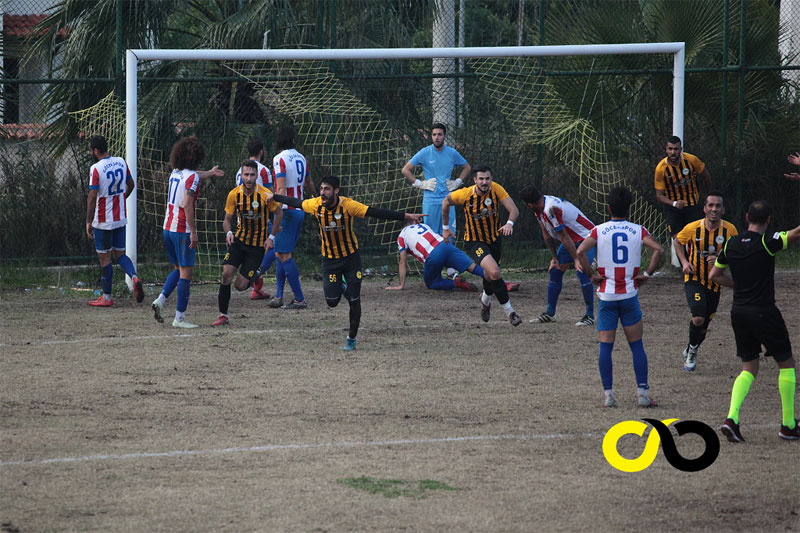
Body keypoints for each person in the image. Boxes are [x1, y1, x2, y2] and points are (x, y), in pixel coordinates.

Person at [273, 175, 423, 350]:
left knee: (354, 299)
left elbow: (375, 212)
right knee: (331, 301)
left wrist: (406, 216)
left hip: (351, 259)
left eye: (327, 189)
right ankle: (343, 287)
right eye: (321, 189)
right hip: (330, 261)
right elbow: (295, 202)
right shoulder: (315, 206)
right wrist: (274, 196)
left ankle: (351, 338)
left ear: (336, 191)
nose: (323, 193)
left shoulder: (348, 206)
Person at [709, 200, 799, 442]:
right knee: (786, 364)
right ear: (769, 220)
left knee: (749, 367)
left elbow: (714, 275)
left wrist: (738, 284)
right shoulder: (769, 242)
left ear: (746, 217)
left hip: (738, 312)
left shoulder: (731, 244)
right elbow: (798, 231)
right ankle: (788, 424)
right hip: (764, 312)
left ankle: (732, 419)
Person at [576, 186, 664, 408]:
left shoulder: (598, 230)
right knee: (637, 346)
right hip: (629, 295)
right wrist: (647, 274)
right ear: (630, 208)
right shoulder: (638, 230)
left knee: (606, 347)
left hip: (607, 296)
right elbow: (659, 249)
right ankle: (643, 393)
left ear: (608, 208)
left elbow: (579, 252)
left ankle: (608, 395)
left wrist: (591, 275)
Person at [151, 135, 224, 328]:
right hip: (182, 230)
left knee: (178, 269)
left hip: (167, 228)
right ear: (196, 157)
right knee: (186, 273)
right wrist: (193, 231)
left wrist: (209, 173)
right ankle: (180, 317)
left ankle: (160, 300)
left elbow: (194, 175)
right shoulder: (191, 178)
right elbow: (187, 203)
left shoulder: (175, 173)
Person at [442, 165, 522, 326]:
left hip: (494, 240)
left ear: (491, 179)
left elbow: (514, 209)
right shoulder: (465, 194)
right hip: (474, 241)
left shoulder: (496, 189)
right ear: (475, 180)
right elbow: (445, 202)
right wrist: (445, 228)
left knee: (489, 275)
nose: (484, 182)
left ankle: (485, 299)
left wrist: (510, 223)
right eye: (481, 179)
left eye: (487, 178)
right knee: (495, 272)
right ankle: (510, 312)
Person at [211, 160, 282, 326]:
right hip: (239, 241)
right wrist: (229, 232)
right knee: (226, 274)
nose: (249, 178)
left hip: (256, 247)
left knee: (240, 286)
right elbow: (227, 220)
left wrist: (271, 238)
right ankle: (223, 316)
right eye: (246, 175)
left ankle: (256, 273)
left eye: (252, 175)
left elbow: (279, 214)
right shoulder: (234, 195)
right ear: (241, 176)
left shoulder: (265, 195)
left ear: (257, 176)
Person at [673, 191, 738, 371]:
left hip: (716, 283)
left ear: (723, 210)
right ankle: (693, 352)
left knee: (703, 327)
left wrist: (719, 258)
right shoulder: (693, 228)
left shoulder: (730, 230)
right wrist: (684, 262)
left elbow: (735, 254)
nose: (714, 209)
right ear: (704, 208)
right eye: (710, 205)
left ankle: (690, 347)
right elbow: (677, 241)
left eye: (718, 206)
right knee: (699, 317)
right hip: (694, 279)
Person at [520, 187, 596, 326]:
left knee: (583, 272)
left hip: (587, 237)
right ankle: (550, 313)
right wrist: (555, 258)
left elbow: (563, 236)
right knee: (555, 271)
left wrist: (576, 259)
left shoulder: (550, 209)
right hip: (571, 241)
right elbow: (546, 234)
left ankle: (590, 315)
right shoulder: (539, 207)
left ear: (529, 204)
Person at [85, 135, 144, 307]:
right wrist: (121, 198)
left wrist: (88, 221)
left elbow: (92, 196)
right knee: (120, 255)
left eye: (90, 149)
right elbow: (131, 184)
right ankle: (134, 277)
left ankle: (107, 297)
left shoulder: (96, 168)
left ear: (95, 151)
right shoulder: (121, 162)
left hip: (103, 221)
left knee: (105, 259)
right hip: (119, 219)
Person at [264, 125, 318, 309]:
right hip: (299, 208)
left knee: (283, 254)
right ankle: (278, 296)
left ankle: (299, 299)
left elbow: (280, 188)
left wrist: (277, 209)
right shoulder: (301, 157)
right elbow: (309, 181)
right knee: (281, 253)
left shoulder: (279, 158)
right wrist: (316, 197)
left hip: (286, 210)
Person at [402, 122, 470, 240]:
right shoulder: (425, 152)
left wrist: (458, 182)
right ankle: (432, 259)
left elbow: (467, 167)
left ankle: (448, 258)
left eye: (439, 134)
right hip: (430, 200)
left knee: (449, 236)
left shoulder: (452, 153)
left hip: (448, 199)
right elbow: (405, 170)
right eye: (434, 135)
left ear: (445, 136)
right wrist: (420, 184)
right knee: (431, 237)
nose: (436, 137)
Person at [235, 137, 278, 301]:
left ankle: (256, 288)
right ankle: (255, 275)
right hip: (259, 219)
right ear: (261, 151)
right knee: (273, 249)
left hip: (243, 218)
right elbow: (270, 196)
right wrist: (274, 221)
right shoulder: (264, 170)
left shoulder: (240, 171)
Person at [384, 222, 483, 292]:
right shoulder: (423, 225)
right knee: (472, 267)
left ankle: (456, 283)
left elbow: (403, 261)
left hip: (432, 255)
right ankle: (494, 279)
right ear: (414, 222)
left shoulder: (402, 235)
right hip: (445, 244)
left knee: (431, 283)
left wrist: (401, 285)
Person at [654, 135, 712, 243]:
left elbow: (706, 176)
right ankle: (684, 260)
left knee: (695, 238)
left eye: (676, 149)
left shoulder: (691, 160)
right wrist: (674, 203)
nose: (673, 152)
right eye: (670, 149)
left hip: (692, 205)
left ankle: (692, 259)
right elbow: (659, 196)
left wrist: (709, 197)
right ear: (666, 150)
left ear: (680, 149)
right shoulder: (661, 169)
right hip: (672, 208)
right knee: (678, 239)